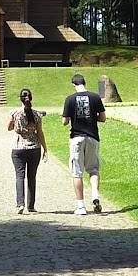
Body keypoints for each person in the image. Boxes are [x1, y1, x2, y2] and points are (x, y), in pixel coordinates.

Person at [61, 73, 106, 215]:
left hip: (77, 138)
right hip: (92, 137)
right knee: (93, 169)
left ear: (73, 85)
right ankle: (95, 196)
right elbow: (103, 118)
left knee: (77, 172)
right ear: (84, 83)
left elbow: (65, 122)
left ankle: (81, 206)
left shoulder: (70, 99)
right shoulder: (95, 97)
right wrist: (92, 117)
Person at [6, 87, 45, 213]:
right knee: (32, 177)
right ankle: (31, 205)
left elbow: (9, 128)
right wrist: (45, 148)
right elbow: (39, 133)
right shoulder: (37, 115)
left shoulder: (14, 113)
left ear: (20, 99)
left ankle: (20, 204)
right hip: (34, 147)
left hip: (18, 148)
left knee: (19, 176)